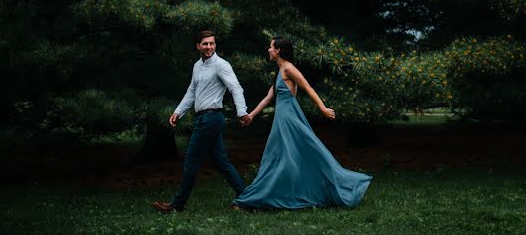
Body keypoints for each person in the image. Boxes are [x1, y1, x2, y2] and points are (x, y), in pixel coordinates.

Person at [232, 36, 372, 209]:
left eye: (270, 47)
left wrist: (323, 108)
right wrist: (250, 116)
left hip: (288, 118)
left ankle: (343, 184)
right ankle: (269, 195)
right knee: (279, 157)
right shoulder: (280, 70)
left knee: (301, 153)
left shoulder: (289, 68)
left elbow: (307, 87)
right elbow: (268, 98)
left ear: (278, 51)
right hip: (282, 119)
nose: (268, 50)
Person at [152, 30, 251, 213]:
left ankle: (177, 205)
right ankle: (247, 198)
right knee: (222, 161)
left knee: (191, 159)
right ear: (198, 46)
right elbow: (192, 91)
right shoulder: (197, 66)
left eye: (212, 43)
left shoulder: (221, 65)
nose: (209, 47)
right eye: (205, 44)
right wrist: (178, 111)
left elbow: (235, 88)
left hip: (212, 118)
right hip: (203, 118)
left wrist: (241, 112)